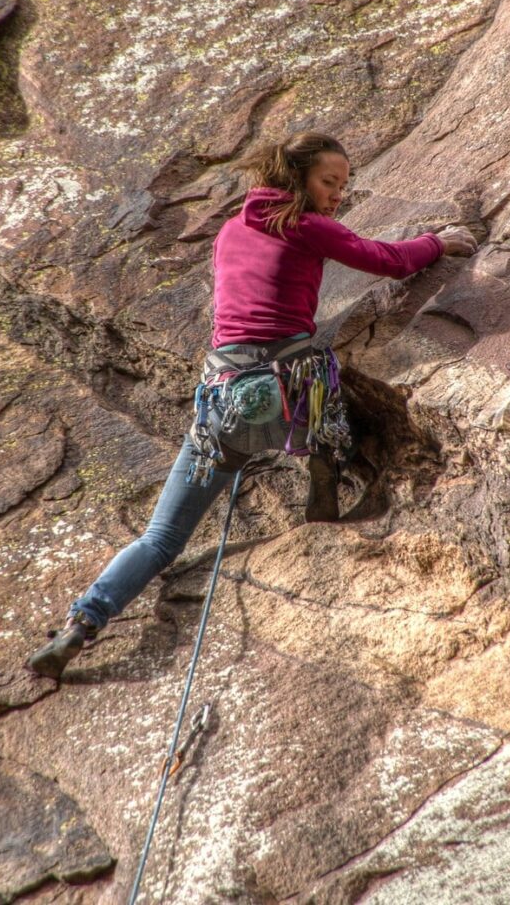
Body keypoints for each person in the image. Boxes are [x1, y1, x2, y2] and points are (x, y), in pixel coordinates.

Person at [27, 131, 476, 679]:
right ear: (297, 179)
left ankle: (81, 624)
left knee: (161, 537)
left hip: (226, 402)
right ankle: (323, 457)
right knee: (322, 369)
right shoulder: (307, 225)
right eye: (328, 182)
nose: (338, 194)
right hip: (293, 393)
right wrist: (437, 242)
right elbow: (382, 259)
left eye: (343, 184)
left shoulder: (231, 230)